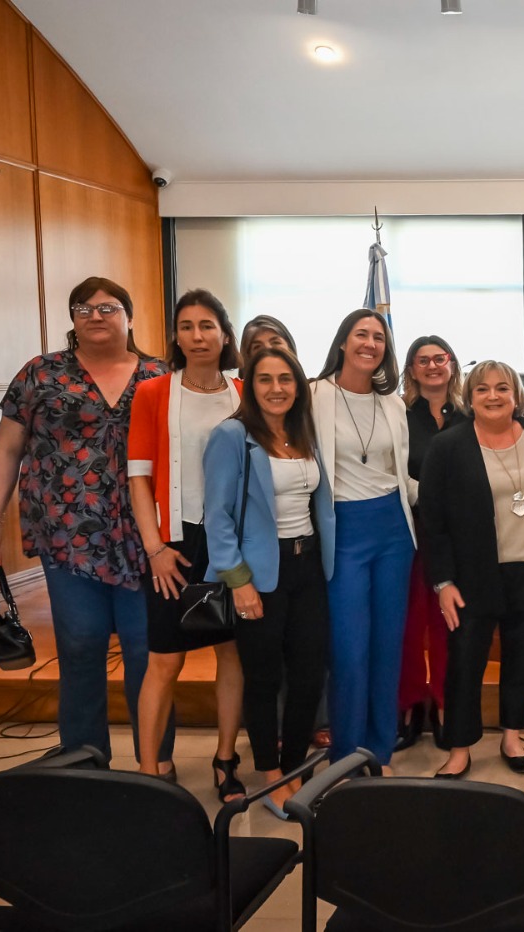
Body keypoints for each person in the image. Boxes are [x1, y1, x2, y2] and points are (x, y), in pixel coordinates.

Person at [0, 276, 173, 768]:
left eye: (108, 307)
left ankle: (155, 763)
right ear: (72, 320)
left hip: (148, 537)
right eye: (83, 309)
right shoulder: (40, 374)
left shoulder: (161, 375)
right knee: (80, 644)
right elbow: (7, 451)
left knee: (147, 650)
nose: (95, 316)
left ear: (129, 316)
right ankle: (84, 762)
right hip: (67, 535)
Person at [421, 362, 524, 778]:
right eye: (483, 389)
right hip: (472, 575)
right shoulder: (448, 445)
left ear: (516, 395)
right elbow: (433, 521)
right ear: (469, 397)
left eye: (502, 388)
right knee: (464, 663)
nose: (493, 396)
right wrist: (443, 581)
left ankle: (512, 736)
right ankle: (460, 748)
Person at [204, 348, 335, 816]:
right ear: (250, 386)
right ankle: (271, 774)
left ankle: (296, 765)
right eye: (265, 379)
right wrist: (239, 580)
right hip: (259, 573)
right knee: (263, 678)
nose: (276, 388)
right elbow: (217, 516)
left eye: (285, 379)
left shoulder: (304, 432)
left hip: (308, 566)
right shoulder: (232, 436)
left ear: (298, 386)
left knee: (308, 674)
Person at [127, 289, 246, 799]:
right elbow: (138, 477)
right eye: (186, 326)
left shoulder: (244, 392)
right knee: (165, 659)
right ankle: (148, 771)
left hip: (232, 541)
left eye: (207, 325)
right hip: (175, 542)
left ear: (224, 334)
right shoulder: (153, 392)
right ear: (175, 336)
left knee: (231, 652)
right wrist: (154, 548)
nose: (197, 336)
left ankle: (225, 759)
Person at [309, 309, 420, 769]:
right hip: (344, 530)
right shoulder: (314, 396)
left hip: (393, 528)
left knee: (387, 645)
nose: (370, 343)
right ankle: (345, 754)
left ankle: (379, 749)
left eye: (379, 337)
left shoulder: (392, 403)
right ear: (342, 342)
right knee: (350, 649)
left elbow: (401, 473)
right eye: (361, 334)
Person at [395, 335, 467, 751]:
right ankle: (408, 704)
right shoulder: (398, 415)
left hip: (459, 538)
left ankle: (443, 704)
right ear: (411, 370)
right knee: (409, 624)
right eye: (423, 360)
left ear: (452, 364)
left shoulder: (470, 414)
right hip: (411, 531)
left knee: (448, 624)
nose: (433, 366)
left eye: (440, 358)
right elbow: (393, 471)